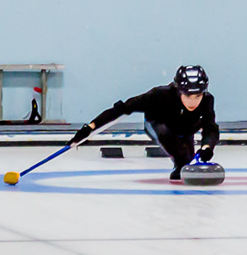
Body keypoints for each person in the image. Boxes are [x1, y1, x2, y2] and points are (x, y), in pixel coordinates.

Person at [68, 66, 219, 181]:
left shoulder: (207, 100)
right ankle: (181, 161)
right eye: (188, 96)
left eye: (197, 96)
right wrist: (90, 127)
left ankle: (183, 161)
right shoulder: (160, 95)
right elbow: (123, 108)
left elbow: (210, 127)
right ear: (179, 90)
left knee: (186, 160)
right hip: (158, 125)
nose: (193, 102)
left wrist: (206, 148)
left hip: (186, 128)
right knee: (174, 148)